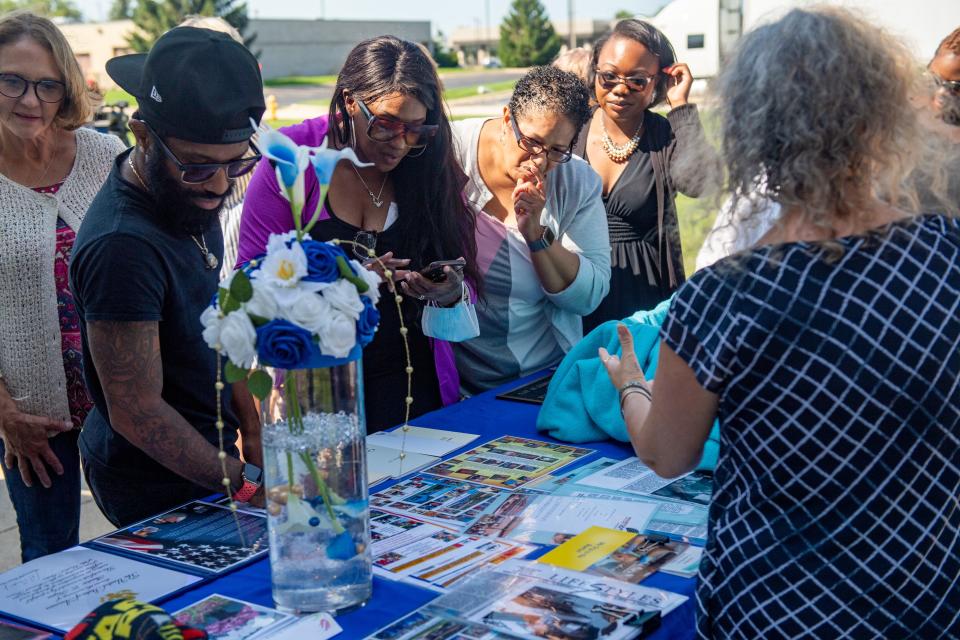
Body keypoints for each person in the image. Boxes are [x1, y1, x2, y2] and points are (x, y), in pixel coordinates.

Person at [600, 8, 959, 637]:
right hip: (926, 594)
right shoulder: (947, 251)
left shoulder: (724, 294)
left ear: (748, 130)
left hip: (776, 607)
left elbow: (667, 453)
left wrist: (631, 383)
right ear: (879, 118)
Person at [70, 27, 266, 526]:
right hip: (153, 480)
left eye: (237, 162)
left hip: (214, 455)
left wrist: (255, 431)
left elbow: (215, 326)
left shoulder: (181, 188)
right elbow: (137, 412)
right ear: (142, 135)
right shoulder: (123, 246)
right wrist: (245, 482)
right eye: (199, 166)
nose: (220, 186)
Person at [238, 36, 481, 432]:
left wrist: (449, 291)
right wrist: (342, 284)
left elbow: (464, 273)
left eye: (416, 129)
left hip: (418, 388)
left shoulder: (430, 165)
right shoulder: (294, 157)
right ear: (351, 101)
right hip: (322, 392)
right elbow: (249, 285)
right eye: (386, 125)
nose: (400, 144)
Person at [0, 11, 125, 562]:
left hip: (126, 399)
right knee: (49, 558)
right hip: (31, 414)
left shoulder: (105, 156)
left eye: (47, 84)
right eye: (11, 80)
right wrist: (3, 413)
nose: (30, 100)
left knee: (154, 536)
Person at [450, 66, 610, 395]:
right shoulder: (451, 154)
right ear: (507, 118)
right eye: (532, 142)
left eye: (557, 150)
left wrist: (536, 232)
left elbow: (589, 296)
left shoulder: (576, 183)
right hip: (449, 379)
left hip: (532, 382)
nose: (539, 161)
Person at [575, 20, 719, 333]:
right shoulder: (572, 129)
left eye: (637, 80)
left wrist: (680, 105)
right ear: (594, 72)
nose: (619, 89)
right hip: (576, 287)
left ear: (658, 82)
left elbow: (700, 182)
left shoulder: (663, 136)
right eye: (609, 76)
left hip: (642, 298)